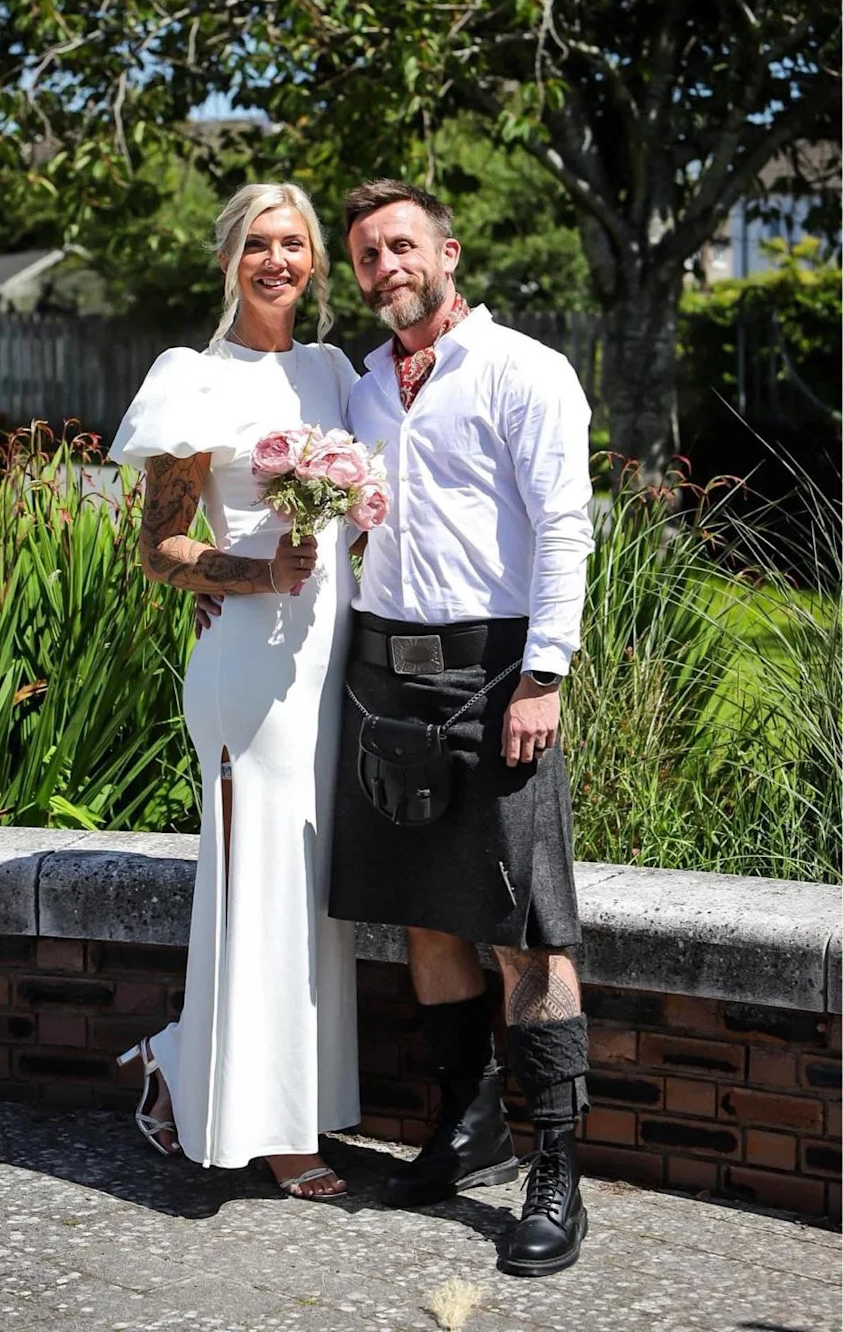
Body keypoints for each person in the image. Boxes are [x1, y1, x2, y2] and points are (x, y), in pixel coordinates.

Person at [329, 180, 596, 1276]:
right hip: (383, 674)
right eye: (366, 254)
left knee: (527, 928)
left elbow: (564, 526)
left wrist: (545, 674)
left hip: (496, 675)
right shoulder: (361, 390)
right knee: (426, 918)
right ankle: (470, 1122)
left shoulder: (524, 370)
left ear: (447, 253)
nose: (384, 265)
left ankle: (559, 1172)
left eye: (401, 245)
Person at [110, 182, 360, 1199]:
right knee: (257, 879)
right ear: (229, 259)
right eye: (258, 243)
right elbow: (158, 547)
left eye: (293, 243)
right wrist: (256, 574)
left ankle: (182, 1060)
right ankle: (272, 1129)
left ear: (315, 262)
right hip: (248, 661)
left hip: (333, 657)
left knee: (313, 880)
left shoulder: (334, 372)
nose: (276, 260)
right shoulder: (193, 380)